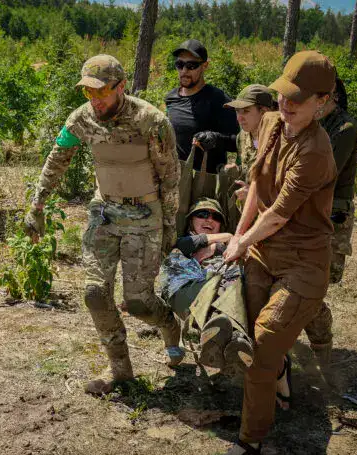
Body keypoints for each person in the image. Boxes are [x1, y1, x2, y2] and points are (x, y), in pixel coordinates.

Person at [209, 51, 337, 455]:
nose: (286, 104)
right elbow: (258, 188)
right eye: (283, 94)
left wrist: (241, 242)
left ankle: (250, 440)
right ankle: (277, 377)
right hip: (264, 252)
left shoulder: (316, 151)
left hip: (303, 262)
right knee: (246, 336)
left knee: (262, 345)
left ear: (322, 101)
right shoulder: (271, 124)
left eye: (298, 99)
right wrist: (239, 238)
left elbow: (279, 212)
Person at [24, 55, 182, 394]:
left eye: (101, 92)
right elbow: (57, 158)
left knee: (139, 303)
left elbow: (170, 177)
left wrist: (170, 226)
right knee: (95, 294)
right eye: (88, 93)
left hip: (144, 215)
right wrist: (37, 205)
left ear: (121, 86)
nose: (95, 100)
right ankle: (120, 370)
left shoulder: (151, 121)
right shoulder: (82, 119)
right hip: (105, 213)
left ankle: (170, 325)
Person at [159, 199, 253, 373]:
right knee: (223, 285)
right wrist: (227, 237)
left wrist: (221, 247)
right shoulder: (181, 242)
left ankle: (233, 342)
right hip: (188, 294)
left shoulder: (230, 248)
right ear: (190, 221)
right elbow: (185, 245)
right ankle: (225, 337)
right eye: (202, 214)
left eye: (216, 217)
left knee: (234, 282)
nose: (209, 220)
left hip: (225, 294)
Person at [304, 77, 357, 365]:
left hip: (331, 218)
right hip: (307, 213)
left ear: (331, 97)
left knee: (314, 288)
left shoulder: (344, 129)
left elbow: (324, 173)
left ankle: (322, 347)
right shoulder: (312, 124)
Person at [193, 84, 277, 230]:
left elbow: (291, 190)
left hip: (273, 220)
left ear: (264, 112)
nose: (239, 118)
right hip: (247, 216)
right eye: (237, 111)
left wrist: (256, 195)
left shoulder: (283, 140)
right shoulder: (243, 136)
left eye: (246, 111)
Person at [165, 40, 239, 172]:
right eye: (179, 64)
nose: (184, 71)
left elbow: (239, 142)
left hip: (206, 180)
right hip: (175, 176)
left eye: (191, 66)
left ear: (205, 65)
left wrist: (216, 139)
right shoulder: (171, 98)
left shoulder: (218, 99)